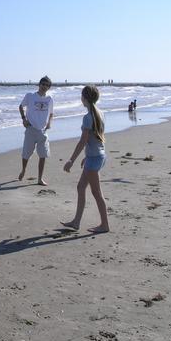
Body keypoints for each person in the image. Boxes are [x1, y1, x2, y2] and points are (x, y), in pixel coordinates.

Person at [61, 85, 109, 233]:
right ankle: (76, 222)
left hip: (94, 159)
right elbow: (96, 139)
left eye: (82, 96)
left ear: (85, 98)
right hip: (97, 156)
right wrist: (86, 157)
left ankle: (105, 225)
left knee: (97, 194)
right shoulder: (100, 113)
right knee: (81, 187)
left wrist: (71, 160)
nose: (80, 98)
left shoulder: (88, 117)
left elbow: (83, 141)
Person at [18, 76, 54, 186]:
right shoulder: (30, 96)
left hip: (43, 131)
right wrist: (24, 119)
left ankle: (40, 178)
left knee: (43, 155)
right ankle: (24, 170)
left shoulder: (49, 99)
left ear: (48, 87)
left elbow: (51, 113)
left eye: (47, 85)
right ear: (39, 85)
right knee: (26, 154)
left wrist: (49, 123)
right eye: (42, 84)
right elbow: (21, 106)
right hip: (31, 129)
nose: (44, 86)